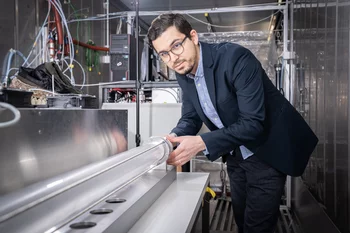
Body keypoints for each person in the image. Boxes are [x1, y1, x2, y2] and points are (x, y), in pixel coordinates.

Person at [147, 13, 318, 233]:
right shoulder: (184, 71)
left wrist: (201, 142)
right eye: (164, 54)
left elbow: (253, 122)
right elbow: (190, 117)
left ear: (193, 37)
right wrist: (171, 138)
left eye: (176, 45)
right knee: (241, 217)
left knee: (258, 227)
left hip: (267, 152)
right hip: (237, 157)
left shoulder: (235, 58)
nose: (173, 58)